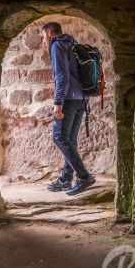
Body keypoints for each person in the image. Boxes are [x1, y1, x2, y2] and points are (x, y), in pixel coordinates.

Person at [40, 22, 96, 195]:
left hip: (69, 99)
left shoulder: (57, 45)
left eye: (43, 36)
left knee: (59, 137)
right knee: (69, 139)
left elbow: (61, 76)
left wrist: (58, 103)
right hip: (82, 99)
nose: (43, 40)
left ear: (50, 33)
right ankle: (65, 179)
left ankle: (84, 176)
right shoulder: (72, 43)